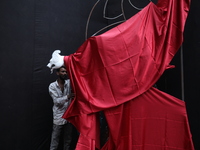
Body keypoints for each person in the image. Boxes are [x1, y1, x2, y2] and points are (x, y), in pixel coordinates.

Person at [49, 66, 74, 150]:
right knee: (55, 139)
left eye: (66, 72)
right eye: (62, 72)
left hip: (68, 116)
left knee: (68, 139)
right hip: (58, 117)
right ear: (57, 73)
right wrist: (68, 96)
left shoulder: (69, 83)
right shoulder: (52, 86)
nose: (64, 73)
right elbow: (56, 101)